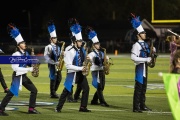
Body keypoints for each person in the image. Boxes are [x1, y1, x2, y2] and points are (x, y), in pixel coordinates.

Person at [0, 23, 40, 116]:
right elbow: (16, 68)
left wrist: (35, 63)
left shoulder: (26, 53)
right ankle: (1, 110)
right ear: (18, 45)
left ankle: (31, 108)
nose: (25, 44)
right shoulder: (16, 55)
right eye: (23, 43)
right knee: (11, 93)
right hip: (17, 76)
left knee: (34, 90)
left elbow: (29, 62)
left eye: (24, 43)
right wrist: (30, 69)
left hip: (24, 76)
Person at [55, 18, 91, 112]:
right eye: (79, 41)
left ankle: (83, 107)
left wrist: (88, 60)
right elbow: (68, 66)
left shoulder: (81, 49)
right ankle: (58, 108)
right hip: (72, 73)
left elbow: (84, 60)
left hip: (80, 73)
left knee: (86, 89)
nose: (81, 43)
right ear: (75, 41)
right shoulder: (69, 50)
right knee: (66, 91)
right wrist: (80, 68)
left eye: (81, 41)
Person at [130, 14, 153, 113]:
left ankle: (142, 105)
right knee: (138, 88)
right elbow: (133, 57)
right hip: (140, 68)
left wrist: (153, 53)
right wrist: (146, 59)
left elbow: (148, 54)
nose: (145, 34)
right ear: (138, 35)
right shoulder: (136, 45)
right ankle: (136, 107)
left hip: (145, 68)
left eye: (144, 33)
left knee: (143, 88)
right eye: (143, 33)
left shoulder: (145, 44)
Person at [86, 26, 109, 107]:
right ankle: (102, 101)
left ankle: (94, 100)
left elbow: (106, 59)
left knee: (102, 87)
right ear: (93, 45)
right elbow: (89, 58)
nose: (98, 45)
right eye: (97, 44)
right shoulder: (91, 54)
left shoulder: (102, 53)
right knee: (99, 86)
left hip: (101, 70)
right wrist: (89, 59)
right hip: (95, 71)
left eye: (99, 43)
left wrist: (107, 61)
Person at [44, 20, 62, 98]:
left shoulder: (58, 47)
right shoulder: (48, 47)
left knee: (59, 78)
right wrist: (54, 63)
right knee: (53, 77)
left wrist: (62, 54)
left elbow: (60, 56)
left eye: (56, 37)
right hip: (52, 64)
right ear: (51, 39)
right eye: (54, 38)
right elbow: (46, 57)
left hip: (58, 64)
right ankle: (53, 93)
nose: (56, 39)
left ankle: (53, 91)